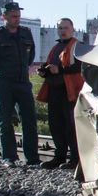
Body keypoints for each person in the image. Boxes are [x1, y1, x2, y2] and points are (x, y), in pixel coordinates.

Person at [0, 1, 40, 167]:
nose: (17, 19)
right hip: (4, 83)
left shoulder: (26, 33)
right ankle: (9, 158)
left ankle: (32, 159)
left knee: (29, 120)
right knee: (5, 120)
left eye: (18, 16)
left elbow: (30, 56)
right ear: (4, 16)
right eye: (13, 16)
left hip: (23, 83)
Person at [36, 18, 84, 170]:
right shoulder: (56, 47)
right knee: (56, 125)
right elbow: (54, 66)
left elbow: (82, 66)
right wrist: (44, 70)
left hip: (70, 92)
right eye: (60, 28)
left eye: (65, 28)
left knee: (71, 126)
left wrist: (60, 70)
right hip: (55, 91)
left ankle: (75, 159)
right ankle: (59, 157)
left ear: (72, 29)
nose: (62, 30)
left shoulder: (78, 46)